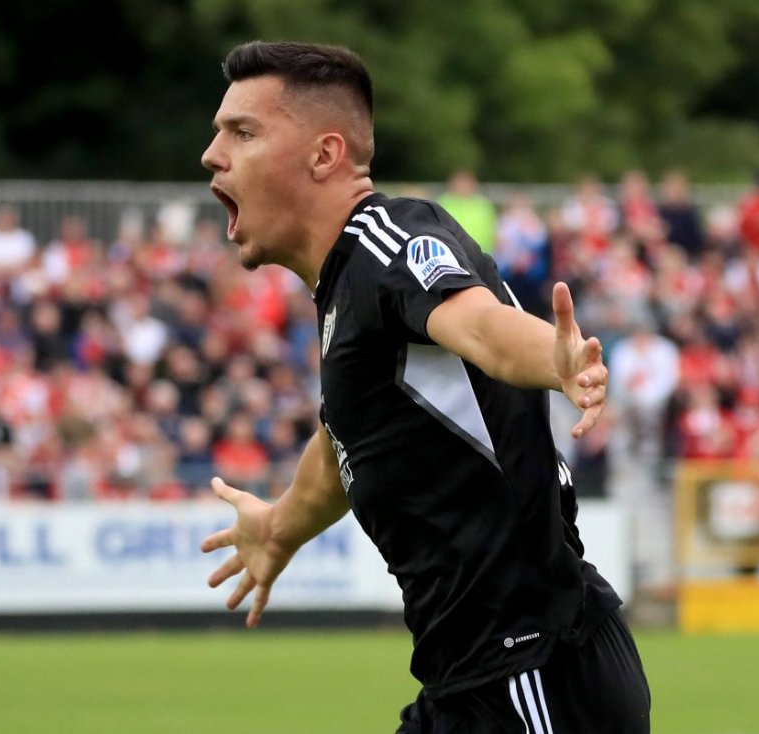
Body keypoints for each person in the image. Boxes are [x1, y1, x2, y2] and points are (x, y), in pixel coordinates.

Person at [199, 41, 650, 733]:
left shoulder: (388, 240)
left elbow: (482, 327)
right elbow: (345, 441)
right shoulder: (346, 290)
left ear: (325, 155)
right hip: (474, 685)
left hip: (532, 674)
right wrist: (282, 527)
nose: (213, 154)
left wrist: (556, 359)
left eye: (243, 132)